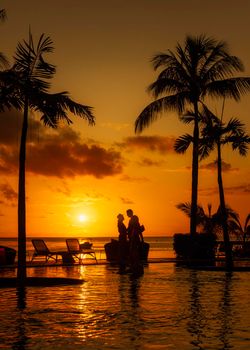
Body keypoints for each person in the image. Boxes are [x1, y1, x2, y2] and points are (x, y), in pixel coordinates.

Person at [126, 209, 144, 275]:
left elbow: (137, 228)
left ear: (130, 213)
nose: (127, 215)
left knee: (133, 252)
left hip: (134, 238)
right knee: (133, 252)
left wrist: (142, 238)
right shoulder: (131, 220)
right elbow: (131, 228)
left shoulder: (134, 218)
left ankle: (135, 266)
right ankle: (134, 266)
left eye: (127, 213)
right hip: (133, 238)